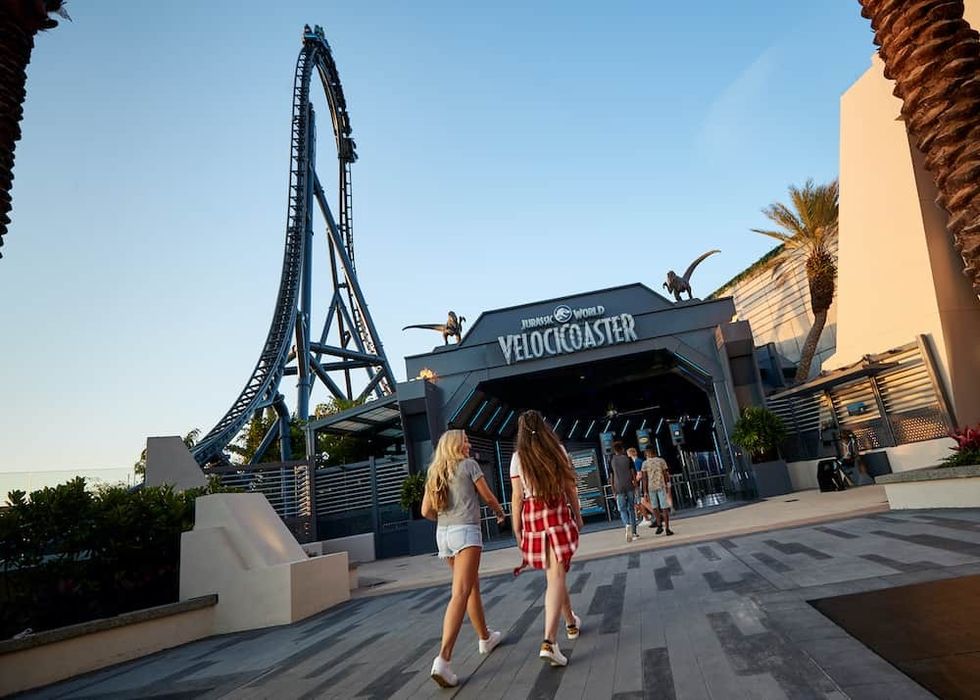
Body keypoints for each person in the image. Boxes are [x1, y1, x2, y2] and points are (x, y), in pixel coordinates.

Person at [421, 429, 507, 688]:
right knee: (460, 592)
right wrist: (500, 511)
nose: (469, 445)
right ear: (455, 445)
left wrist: (447, 520)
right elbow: (487, 495)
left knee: (470, 588)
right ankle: (443, 660)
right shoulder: (468, 465)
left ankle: (485, 637)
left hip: (443, 535)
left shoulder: (435, 470)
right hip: (466, 532)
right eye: (466, 441)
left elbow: (425, 510)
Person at [510, 410, 584, 668]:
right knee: (556, 577)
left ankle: (571, 623)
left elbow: (517, 497)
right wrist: (578, 514)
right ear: (544, 427)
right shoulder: (558, 451)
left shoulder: (518, 458)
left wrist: (517, 527)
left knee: (555, 574)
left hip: (532, 518)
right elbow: (569, 488)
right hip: (557, 515)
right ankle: (549, 642)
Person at [640, 447, 674, 536]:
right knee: (664, 507)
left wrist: (645, 491)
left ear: (646, 453)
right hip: (661, 486)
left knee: (655, 507)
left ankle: (659, 525)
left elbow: (644, 478)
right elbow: (665, 474)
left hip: (651, 487)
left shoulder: (645, 463)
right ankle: (667, 528)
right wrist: (668, 485)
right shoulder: (661, 461)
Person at [609, 442, 639, 542]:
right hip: (629, 486)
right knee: (631, 508)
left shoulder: (611, 460)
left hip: (618, 487)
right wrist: (635, 485)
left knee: (622, 509)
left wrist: (613, 490)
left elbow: (611, 477)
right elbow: (633, 473)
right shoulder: (628, 459)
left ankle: (627, 525)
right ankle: (634, 532)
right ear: (622, 449)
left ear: (614, 450)